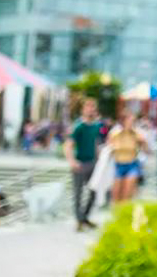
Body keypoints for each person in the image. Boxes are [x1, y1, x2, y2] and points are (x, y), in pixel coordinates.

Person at [64, 98, 102, 231]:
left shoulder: (96, 126)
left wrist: (99, 160)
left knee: (93, 192)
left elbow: (96, 143)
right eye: (88, 107)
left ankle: (84, 218)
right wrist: (72, 161)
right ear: (83, 109)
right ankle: (79, 221)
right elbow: (68, 145)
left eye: (93, 107)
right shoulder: (78, 126)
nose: (91, 109)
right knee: (78, 194)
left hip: (93, 163)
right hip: (80, 164)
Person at [108, 111, 149, 203]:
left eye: (133, 121)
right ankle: (117, 214)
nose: (132, 122)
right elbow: (108, 150)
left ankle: (126, 213)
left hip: (132, 164)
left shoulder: (136, 134)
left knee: (127, 193)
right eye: (130, 120)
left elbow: (146, 151)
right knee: (117, 195)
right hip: (118, 165)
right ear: (123, 121)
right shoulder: (115, 133)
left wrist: (144, 142)